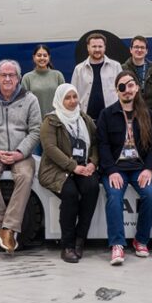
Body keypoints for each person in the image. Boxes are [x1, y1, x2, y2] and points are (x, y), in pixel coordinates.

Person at [0, 59, 42, 255]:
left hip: (21, 154)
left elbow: (35, 131)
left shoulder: (31, 100)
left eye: (11, 75)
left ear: (18, 78)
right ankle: (0, 227)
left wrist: (20, 152)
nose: (7, 79)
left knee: (25, 177)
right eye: (3, 75)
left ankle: (9, 227)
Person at [96, 70, 152, 266]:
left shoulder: (148, 114)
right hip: (116, 168)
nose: (127, 90)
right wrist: (111, 171)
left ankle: (141, 240)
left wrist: (149, 169)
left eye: (130, 85)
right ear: (117, 91)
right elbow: (102, 145)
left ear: (137, 87)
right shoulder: (107, 114)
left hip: (140, 167)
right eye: (122, 87)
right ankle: (117, 244)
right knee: (114, 196)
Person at [38, 83, 99, 263]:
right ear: (59, 100)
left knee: (92, 188)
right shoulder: (51, 121)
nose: (72, 101)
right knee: (70, 194)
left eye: (74, 97)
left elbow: (95, 144)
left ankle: (80, 239)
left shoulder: (85, 119)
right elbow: (50, 148)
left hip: (83, 167)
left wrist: (93, 164)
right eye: (68, 98)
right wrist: (73, 166)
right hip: (57, 169)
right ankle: (67, 245)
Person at [70, 32, 121, 120]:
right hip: (86, 119)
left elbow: (121, 92)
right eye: (94, 46)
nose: (97, 49)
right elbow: (73, 95)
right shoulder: (79, 69)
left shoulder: (116, 66)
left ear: (105, 47)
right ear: (88, 48)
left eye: (100, 46)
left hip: (111, 118)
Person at [21, 43, 65, 121]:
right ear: (34, 57)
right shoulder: (27, 78)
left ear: (49, 57)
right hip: (35, 122)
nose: (42, 58)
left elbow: (64, 100)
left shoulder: (58, 75)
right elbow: (24, 104)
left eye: (45, 55)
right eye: (39, 55)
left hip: (56, 122)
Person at [122, 35, 152, 111]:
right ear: (131, 50)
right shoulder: (122, 69)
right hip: (130, 113)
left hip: (151, 114)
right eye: (136, 47)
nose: (139, 50)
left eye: (142, 47)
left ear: (146, 51)